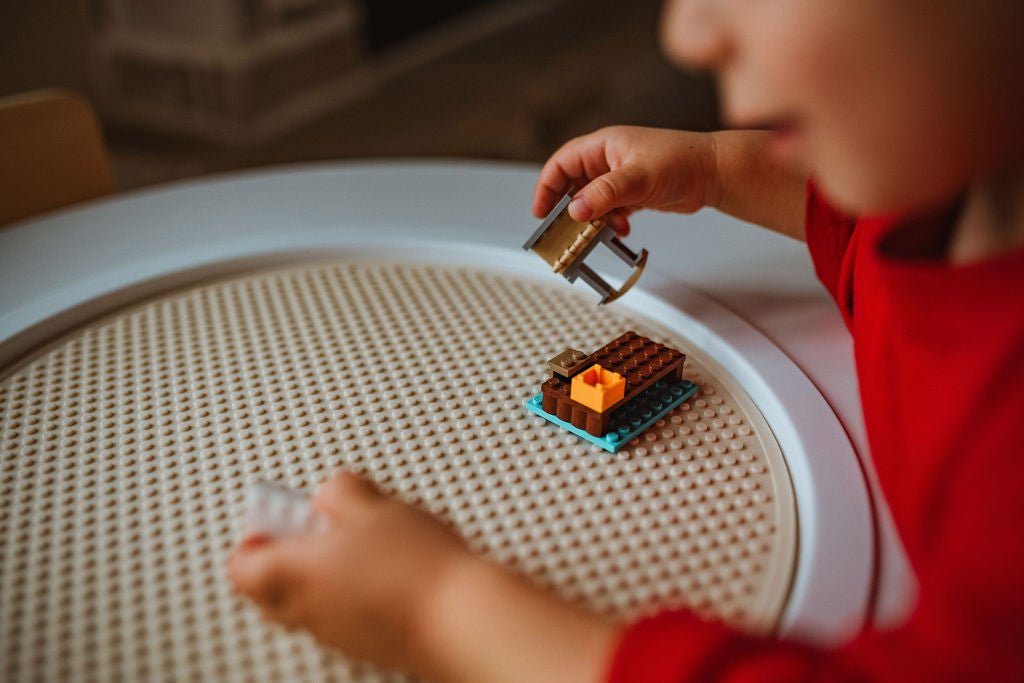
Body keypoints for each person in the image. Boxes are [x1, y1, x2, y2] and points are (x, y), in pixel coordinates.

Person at [228, 0, 1024, 679]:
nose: (689, 34)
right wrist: (716, 169)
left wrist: (440, 608)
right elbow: (860, 232)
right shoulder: (939, 197)